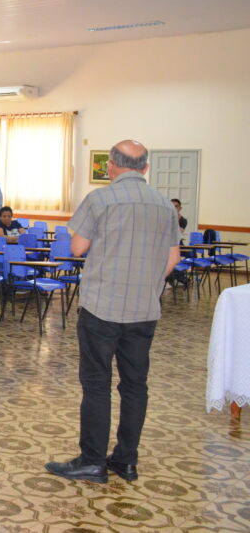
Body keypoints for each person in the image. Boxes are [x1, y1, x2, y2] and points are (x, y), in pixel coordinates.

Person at [46, 140, 180, 485]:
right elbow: (173, 259)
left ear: (111, 167)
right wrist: (147, 282)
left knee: (96, 384)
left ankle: (92, 461)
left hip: (102, 307)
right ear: (145, 168)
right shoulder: (165, 205)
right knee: (135, 385)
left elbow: (78, 247)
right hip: (144, 310)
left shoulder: (100, 199)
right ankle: (126, 460)